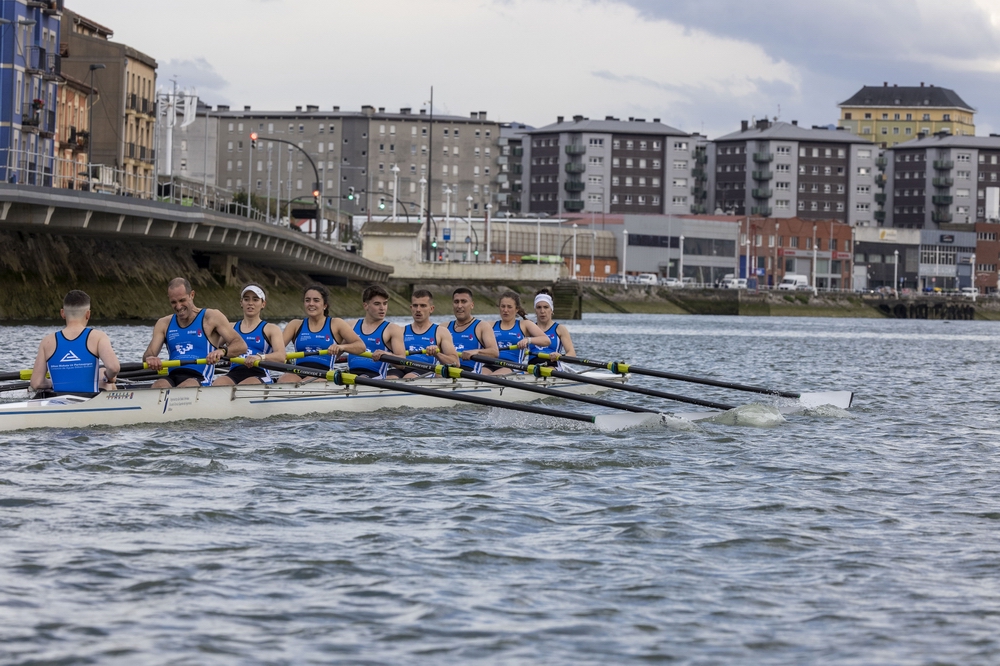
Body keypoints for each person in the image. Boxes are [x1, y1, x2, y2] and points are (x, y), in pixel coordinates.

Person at [143, 278, 247, 388]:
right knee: (158, 385)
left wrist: (222, 351)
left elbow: (241, 345)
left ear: (192, 295)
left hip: (200, 378)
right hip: (172, 376)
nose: (178, 306)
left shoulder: (211, 317)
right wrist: (150, 358)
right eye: (173, 302)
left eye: (182, 300)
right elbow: (149, 353)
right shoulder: (163, 323)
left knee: (186, 386)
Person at [30, 290, 120, 397]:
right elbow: (114, 368)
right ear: (88, 314)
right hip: (90, 401)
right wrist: (109, 377)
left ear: (62, 313)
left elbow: (36, 383)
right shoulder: (98, 337)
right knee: (104, 373)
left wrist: (52, 382)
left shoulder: (47, 341)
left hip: (59, 401)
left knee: (101, 372)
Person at [277, 283, 365, 383]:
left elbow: (361, 346)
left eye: (316, 300)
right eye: (307, 300)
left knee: (308, 382)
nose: (311, 303)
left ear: (325, 305)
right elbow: (276, 350)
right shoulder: (295, 325)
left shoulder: (336, 324)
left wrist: (341, 347)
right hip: (298, 371)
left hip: (323, 373)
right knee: (283, 380)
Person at [213, 283, 286, 386]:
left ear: (263, 304)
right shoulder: (230, 327)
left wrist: (260, 357)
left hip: (259, 373)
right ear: (241, 303)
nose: (250, 303)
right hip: (234, 373)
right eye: (246, 299)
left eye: (255, 300)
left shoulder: (271, 329)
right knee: (217, 383)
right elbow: (211, 347)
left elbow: (281, 356)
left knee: (243, 386)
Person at [346, 284, 406, 379]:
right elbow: (334, 355)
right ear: (366, 306)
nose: (382, 308)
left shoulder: (392, 329)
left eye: (385, 303)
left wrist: (387, 355)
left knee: (361, 378)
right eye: (377, 304)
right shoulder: (350, 326)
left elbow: (402, 364)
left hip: (375, 376)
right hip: (352, 375)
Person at [490, 290, 550, 376]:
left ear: (517, 309)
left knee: (492, 377)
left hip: (512, 365)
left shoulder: (525, 324)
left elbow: (546, 340)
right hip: (490, 363)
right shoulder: (490, 325)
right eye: (503, 306)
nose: (505, 310)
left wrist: (528, 340)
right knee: (478, 376)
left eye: (509, 307)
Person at [402, 289, 458, 377]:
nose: (418, 309)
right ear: (411, 308)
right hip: (402, 367)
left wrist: (437, 354)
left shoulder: (441, 332)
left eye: (423, 306)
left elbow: (455, 363)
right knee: (390, 378)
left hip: (426, 369)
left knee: (409, 377)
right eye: (415, 305)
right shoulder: (401, 331)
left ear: (431, 309)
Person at [447, 287, 498, 374]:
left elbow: (494, 352)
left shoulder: (482, 326)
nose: (459, 306)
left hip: (469, 373)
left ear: (472, 305)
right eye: (456, 302)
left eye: (464, 301)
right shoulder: (444, 327)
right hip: (446, 371)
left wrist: (476, 352)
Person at [528, 288, 576, 364]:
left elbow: (572, 354)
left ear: (551, 310)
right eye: (539, 307)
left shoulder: (560, 329)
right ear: (535, 310)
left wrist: (560, 356)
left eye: (546, 307)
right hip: (532, 367)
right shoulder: (529, 329)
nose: (542, 311)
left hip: (552, 365)